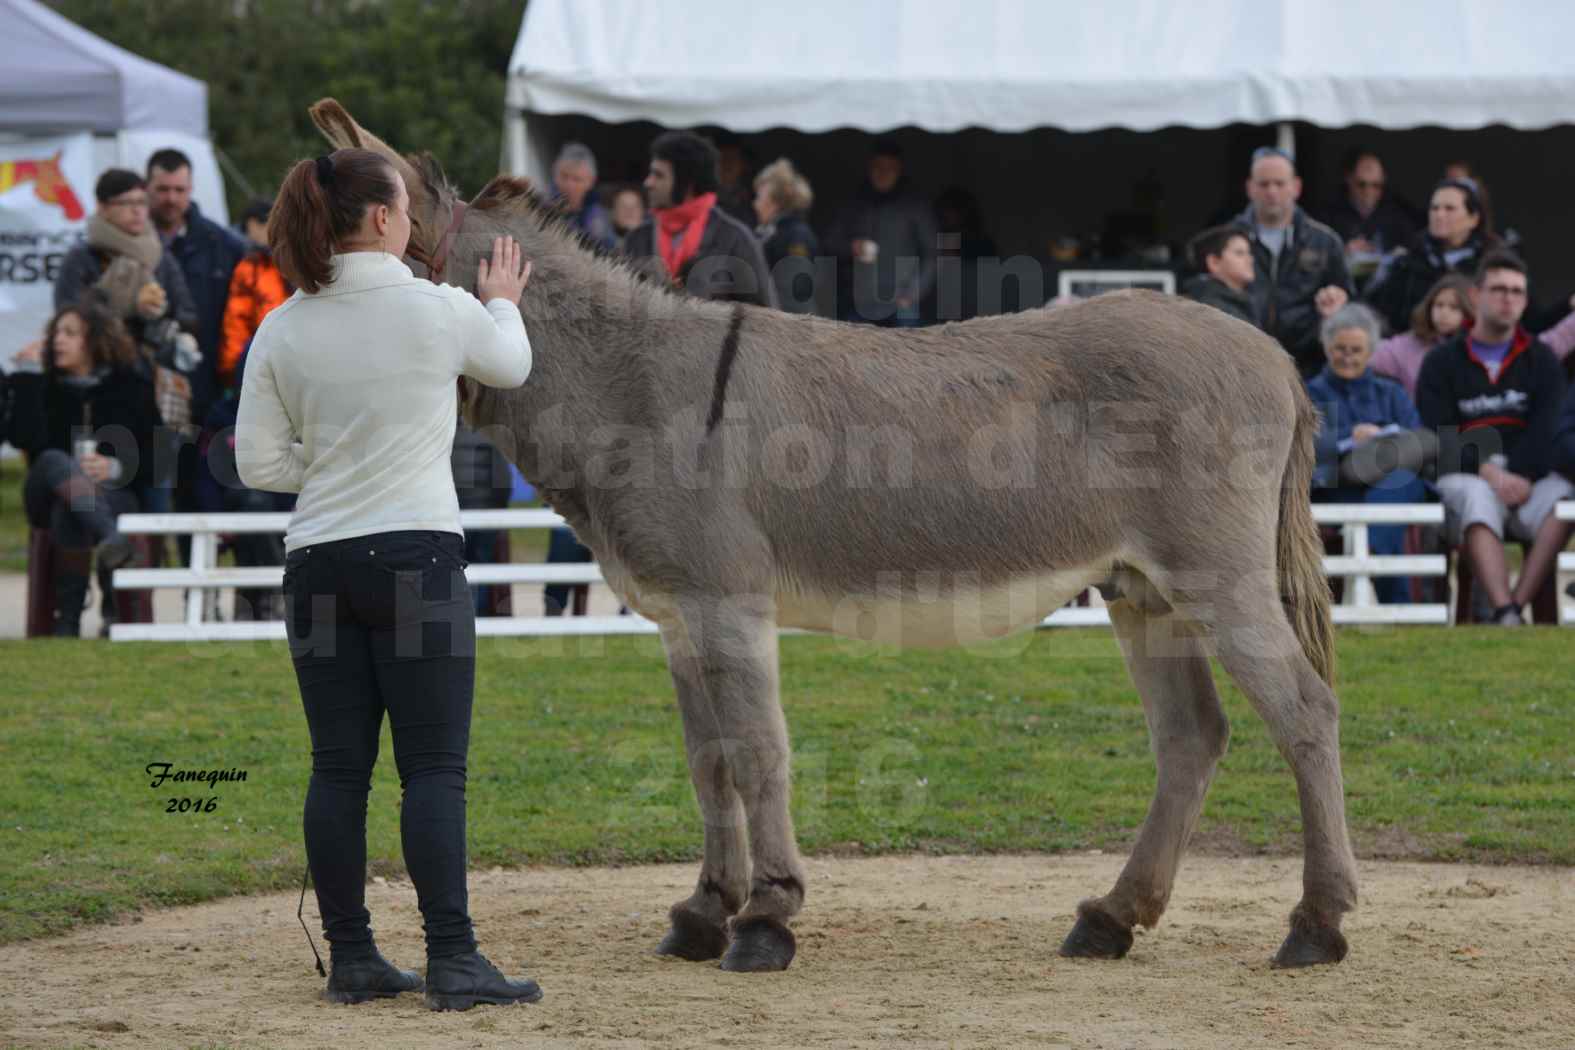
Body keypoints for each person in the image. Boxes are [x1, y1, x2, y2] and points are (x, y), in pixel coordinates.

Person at [235, 146, 542, 1008]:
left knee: (338, 768)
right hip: (417, 560)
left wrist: (336, 466)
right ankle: (453, 958)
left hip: (318, 561)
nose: (410, 218)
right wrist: (504, 305)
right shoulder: (438, 308)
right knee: (434, 769)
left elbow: (258, 461)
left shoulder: (283, 323)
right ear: (380, 218)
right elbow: (510, 367)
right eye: (403, 206)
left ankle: (354, 957)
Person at [1415, 252, 1571, 625]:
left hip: (1528, 477)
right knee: (1476, 497)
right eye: (1499, 289)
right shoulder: (1441, 361)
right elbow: (1441, 431)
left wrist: (1519, 475)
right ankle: (1504, 609)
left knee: (1565, 496)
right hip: (1467, 474)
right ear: (1476, 295)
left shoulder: (1542, 358)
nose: (1508, 299)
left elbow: (1549, 427)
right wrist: (1489, 473)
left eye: (1517, 292)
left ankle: (1515, 606)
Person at [6, 297, 156, 636]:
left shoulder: (130, 388)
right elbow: (23, 439)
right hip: (44, 492)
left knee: (73, 509)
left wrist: (116, 468)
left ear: (96, 341)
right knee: (53, 459)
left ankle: (70, 617)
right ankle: (111, 539)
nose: (57, 339)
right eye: (56, 332)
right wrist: (28, 378)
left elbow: (160, 459)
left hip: (106, 496)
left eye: (70, 333)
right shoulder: (42, 385)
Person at [55, 168, 199, 513]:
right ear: (103, 207)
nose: (138, 210)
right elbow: (70, 318)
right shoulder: (82, 258)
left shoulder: (158, 254)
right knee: (102, 497)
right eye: (127, 203)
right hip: (101, 396)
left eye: (141, 202)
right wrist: (124, 307)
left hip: (155, 397)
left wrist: (161, 321)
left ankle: (156, 562)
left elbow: (189, 314)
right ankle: (109, 560)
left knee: (158, 497)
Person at [1305, 303, 1432, 605]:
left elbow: (1417, 440)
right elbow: (1304, 448)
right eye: (1340, 349)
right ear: (1326, 347)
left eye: (1356, 350)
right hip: (1336, 486)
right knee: (1385, 508)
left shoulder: (1391, 392)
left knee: (1398, 483)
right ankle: (1398, 606)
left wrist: (1383, 436)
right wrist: (1349, 438)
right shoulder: (1309, 393)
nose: (1347, 357)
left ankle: (1372, 550)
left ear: (1371, 351)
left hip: (1393, 482)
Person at [1232, 147, 1353, 376]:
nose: (1272, 192)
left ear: (1296, 187)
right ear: (1250, 188)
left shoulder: (1325, 241)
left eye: (1279, 183)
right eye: (1264, 184)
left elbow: (1349, 302)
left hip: (1310, 369)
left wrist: (1337, 304)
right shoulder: (1226, 241)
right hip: (1242, 368)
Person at [624, 131, 777, 307]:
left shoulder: (734, 239)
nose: (648, 183)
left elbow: (766, 316)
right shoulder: (637, 239)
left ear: (687, 183)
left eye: (659, 175)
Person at [1366, 178, 1499, 338]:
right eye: (1434, 208)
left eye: (1449, 209)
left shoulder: (1495, 265)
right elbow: (1378, 315)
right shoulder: (1407, 261)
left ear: (1474, 218)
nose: (1439, 214)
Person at [825, 140, 938, 326]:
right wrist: (851, 247)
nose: (883, 173)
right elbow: (829, 242)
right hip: (860, 302)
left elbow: (932, 255)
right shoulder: (855, 202)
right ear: (869, 168)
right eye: (878, 167)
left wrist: (912, 294)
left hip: (902, 303)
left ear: (899, 170)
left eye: (890, 168)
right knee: (850, 352)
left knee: (907, 353)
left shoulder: (915, 205)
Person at [1318, 147, 1418, 288]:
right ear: (1349, 179)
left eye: (1376, 185)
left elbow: (1414, 253)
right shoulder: (1328, 214)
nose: (1368, 191)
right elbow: (1314, 259)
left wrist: (1398, 255)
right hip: (1340, 290)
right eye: (1361, 184)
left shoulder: (1397, 215)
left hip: (1386, 293)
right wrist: (1343, 252)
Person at [218, 198, 290, 393]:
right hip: (261, 364)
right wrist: (233, 367)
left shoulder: (289, 263)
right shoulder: (250, 268)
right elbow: (237, 320)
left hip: (278, 360)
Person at [752, 158, 819, 315]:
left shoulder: (796, 235)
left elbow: (795, 292)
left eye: (759, 197)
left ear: (775, 202)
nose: (755, 204)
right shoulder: (770, 232)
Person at [1182, 225, 1260, 328]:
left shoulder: (1234, 305)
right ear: (1214, 262)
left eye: (1249, 253)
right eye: (1239, 253)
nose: (1250, 259)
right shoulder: (1215, 311)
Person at [549, 143, 617, 251]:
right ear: (554, 174)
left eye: (577, 179)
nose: (569, 185)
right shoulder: (541, 210)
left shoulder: (599, 217)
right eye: (564, 176)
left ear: (591, 181)